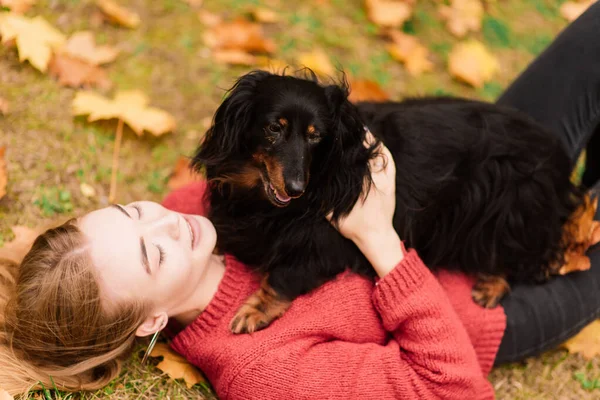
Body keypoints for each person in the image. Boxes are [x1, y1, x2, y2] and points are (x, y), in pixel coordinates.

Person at [1, 2, 600, 398]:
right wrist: (379, 240)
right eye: (150, 257)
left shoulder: (196, 205)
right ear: (152, 321)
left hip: (470, 165)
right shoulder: (262, 368)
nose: (168, 224)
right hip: (493, 295)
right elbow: (453, 390)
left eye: (134, 213)